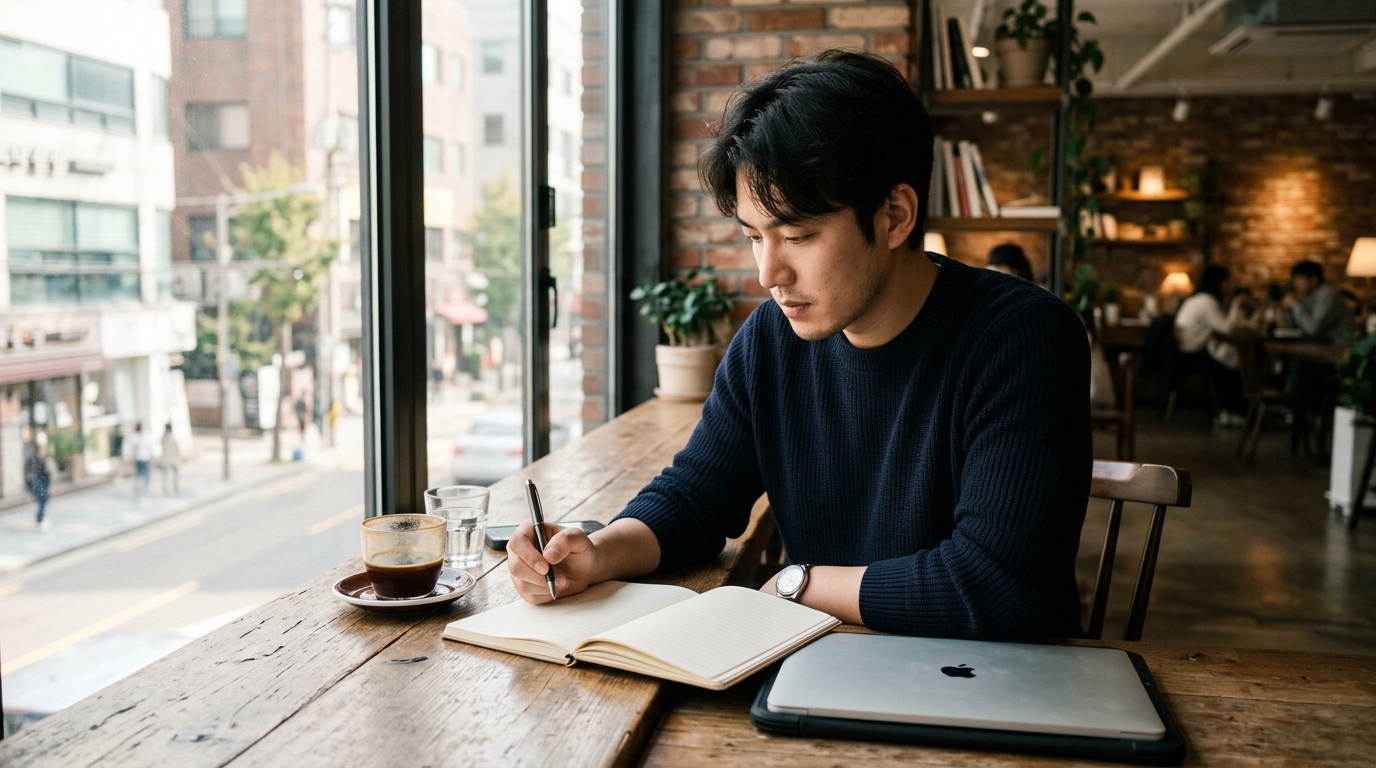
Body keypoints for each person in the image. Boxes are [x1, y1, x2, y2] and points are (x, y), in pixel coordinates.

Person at [505, 51, 1091, 640]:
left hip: (989, 682)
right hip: (832, 664)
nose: (769, 273)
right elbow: (697, 497)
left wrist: (797, 584)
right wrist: (596, 552)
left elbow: (1001, 586)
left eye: (798, 235)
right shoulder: (771, 340)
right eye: (755, 237)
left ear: (894, 216)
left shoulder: (1022, 338)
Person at [1173, 265, 1252, 426]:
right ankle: (1229, 412)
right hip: (1191, 354)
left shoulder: (1197, 299)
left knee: (1228, 356)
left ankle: (1232, 410)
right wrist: (1236, 304)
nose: (1229, 287)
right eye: (1227, 283)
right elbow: (1227, 329)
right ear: (1219, 283)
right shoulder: (1206, 301)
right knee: (1231, 362)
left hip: (1182, 352)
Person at [1284, 260, 1353, 344]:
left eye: (1300, 279)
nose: (1296, 283)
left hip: (1338, 345)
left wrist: (1296, 306)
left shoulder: (1327, 294)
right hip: (1320, 343)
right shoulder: (1306, 296)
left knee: (1278, 348)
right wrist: (1287, 309)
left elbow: (1312, 329)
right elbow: (1295, 327)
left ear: (1314, 279)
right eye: (1295, 279)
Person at [25, 436, 55, 532]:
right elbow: (29, 474)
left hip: (43, 482)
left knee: (43, 501)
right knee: (42, 501)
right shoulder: (34, 460)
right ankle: (39, 519)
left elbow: (50, 471)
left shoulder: (43, 458)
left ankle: (40, 518)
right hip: (39, 482)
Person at [128, 422, 153, 498]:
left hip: (146, 457)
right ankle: (138, 487)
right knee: (140, 473)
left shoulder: (146, 436)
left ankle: (146, 486)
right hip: (139, 458)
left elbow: (149, 446)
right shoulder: (135, 437)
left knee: (146, 473)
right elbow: (134, 447)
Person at [159, 423, 181, 495]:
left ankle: (166, 485)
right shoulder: (172, 437)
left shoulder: (163, 437)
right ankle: (174, 484)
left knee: (166, 473)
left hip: (167, 458)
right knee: (174, 472)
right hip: (172, 457)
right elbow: (177, 448)